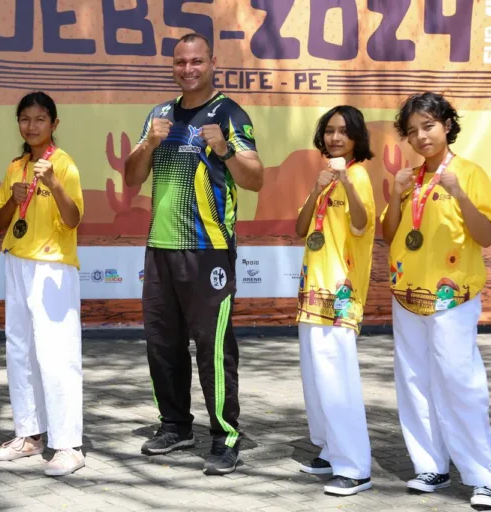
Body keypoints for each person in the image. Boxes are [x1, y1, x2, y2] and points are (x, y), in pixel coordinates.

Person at [124, 33, 264, 475]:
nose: (188, 69)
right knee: (162, 344)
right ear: (173, 65)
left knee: (212, 346)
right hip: (160, 248)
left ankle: (225, 435)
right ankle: (175, 425)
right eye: (181, 62)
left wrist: (224, 148)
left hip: (209, 251)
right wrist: (147, 142)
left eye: (197, 61)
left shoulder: (228, 112)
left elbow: (256, 178)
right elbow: (131, 178)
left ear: (212, 63)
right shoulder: (159, 114)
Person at [381, 92, 491, 509]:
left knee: (459, 381)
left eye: (428, 126)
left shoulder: (469, 173)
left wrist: (459, 195)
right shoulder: (408, 178)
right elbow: (389, 235)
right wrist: (394, 196)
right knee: (414, 380)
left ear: (447, 125)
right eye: (412, 132)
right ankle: (430, 464)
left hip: (454, 295)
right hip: (407, 292)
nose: (421, 137)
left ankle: (482, 476)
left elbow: (485, 236)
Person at [0, 92, 85, 477]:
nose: (31, 126)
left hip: (53, 267)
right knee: (19, 350)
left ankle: (68, 445)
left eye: (40, 119)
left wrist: (55, 184)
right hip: (16, 260)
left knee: (56, 353)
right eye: (25, 119)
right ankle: (29, 435)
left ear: (54, 124)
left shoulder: (63, 164)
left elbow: (74, 218)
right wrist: (12, 202)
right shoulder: (15, 166)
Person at [294, 106, 376, 496]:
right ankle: (329, 449)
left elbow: (361, 224)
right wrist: (317, 188)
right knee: (317, 380)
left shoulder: (357, 175)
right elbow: (299, 228)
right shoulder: (324, 179)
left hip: (340, 296)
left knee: (338, 380)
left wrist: (344, 181)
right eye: (329, 131)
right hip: (313, 294)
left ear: (357, 137)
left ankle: (355, 466)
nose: (335, 138)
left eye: (344, 131)